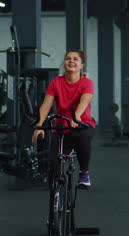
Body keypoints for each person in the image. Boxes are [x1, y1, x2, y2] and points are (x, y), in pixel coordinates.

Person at [32, 50, 95, 188]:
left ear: (81, 65)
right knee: (54, 166)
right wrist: (39, 125)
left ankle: (84, 173)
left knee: (83, 136)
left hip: (82, 124)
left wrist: (76, 116)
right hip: (62, 126)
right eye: (68, 58)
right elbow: (46, 105)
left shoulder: (87, 83)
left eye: (75, 59)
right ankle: (56, 200)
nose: (71, 61)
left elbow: (85, 100)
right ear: (64, 63)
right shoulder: (56, 82)